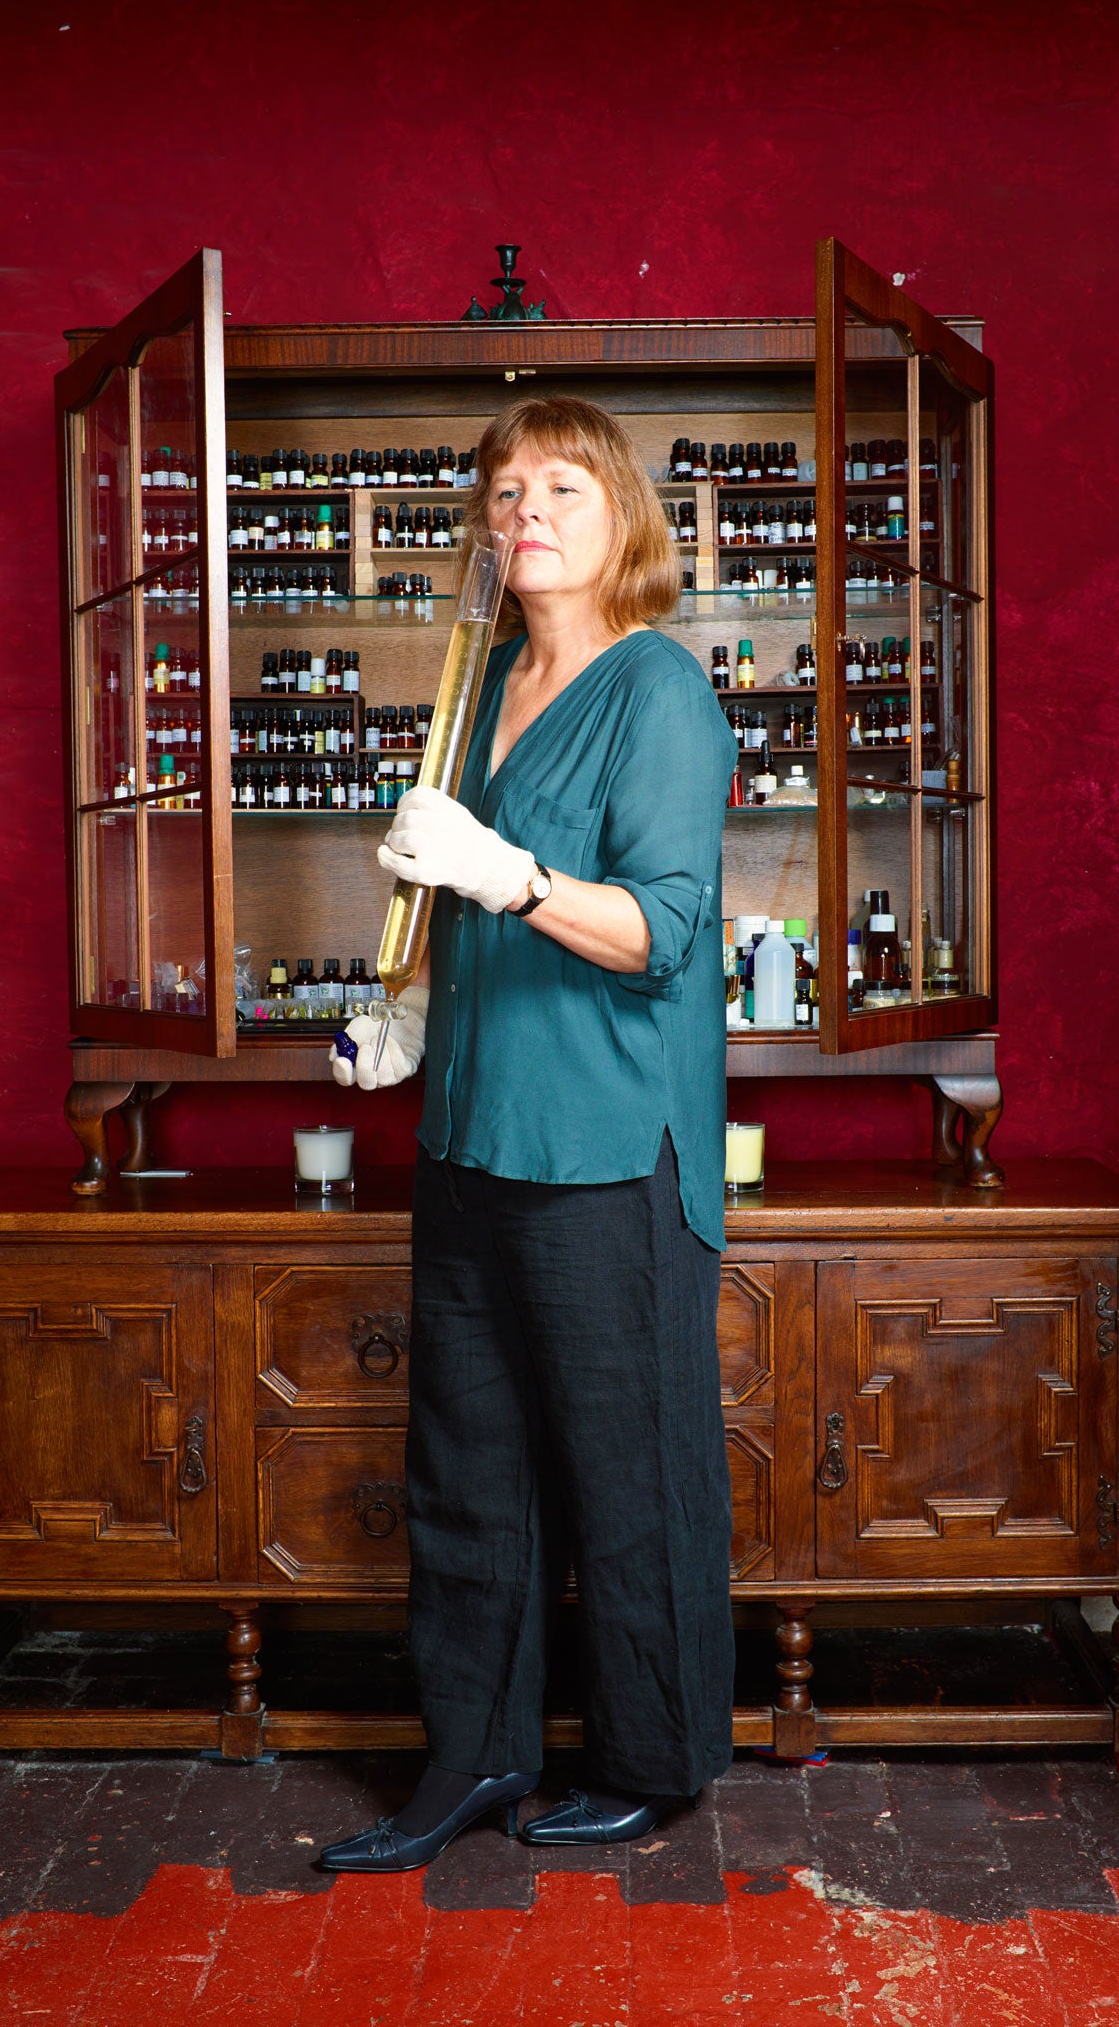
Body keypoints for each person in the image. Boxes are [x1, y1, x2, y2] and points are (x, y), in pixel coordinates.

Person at [319, 396, 738, 1873]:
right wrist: (415, 1019)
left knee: (628, 1467)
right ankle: (476, 1754)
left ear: (622, 513)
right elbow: (464, 931)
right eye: (502, 493)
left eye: (559, 486)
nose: (525, 513)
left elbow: (664, 935)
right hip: (472, 1136)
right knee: (469, 1463)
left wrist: (502, 872)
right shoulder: (481, 683)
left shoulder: (660, 692)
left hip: (611, 1150)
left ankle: (654, 1755)